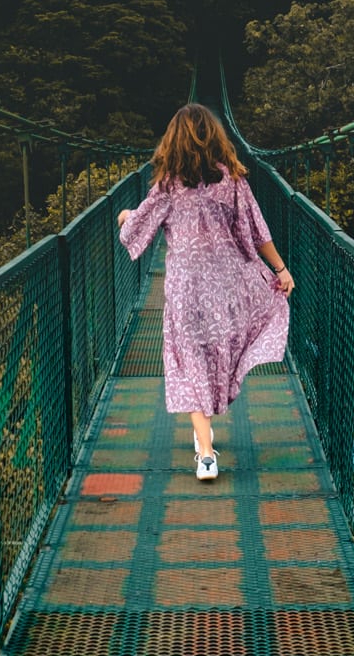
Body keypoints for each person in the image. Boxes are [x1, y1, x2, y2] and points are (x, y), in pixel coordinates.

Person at [118, 103, 293, 481]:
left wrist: (125, 217)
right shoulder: (231, 181)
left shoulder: (167, 186)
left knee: (188, 362)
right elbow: (257, 230)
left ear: (173, 142)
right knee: (215, 358)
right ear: (216, 137)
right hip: (224, 289)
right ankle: (205, 440)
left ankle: (207, 453)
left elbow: (136, 229)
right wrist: (279, 269)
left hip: (184, 291)